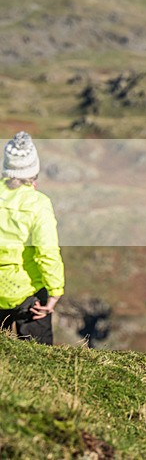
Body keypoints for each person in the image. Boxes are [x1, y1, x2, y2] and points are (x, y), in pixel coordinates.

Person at [0, 132, 65, 345]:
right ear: (33, 169)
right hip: (29, 295)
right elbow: (47, 252)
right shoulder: (38, 204)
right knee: (41, 358)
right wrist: (55, 293)